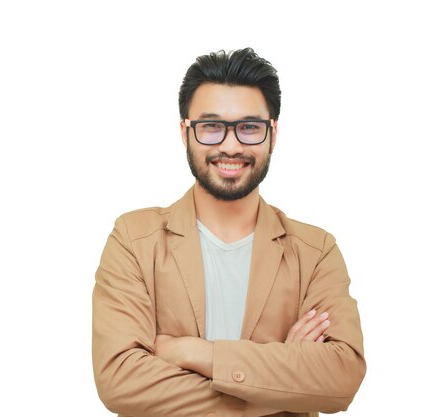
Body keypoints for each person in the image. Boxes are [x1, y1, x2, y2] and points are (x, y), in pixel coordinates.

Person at [92, 48, 366, 417]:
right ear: (185, 132)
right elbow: (120, 381)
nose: (231, 145)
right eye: (211, 127)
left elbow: (341, 377)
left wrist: (193, 352)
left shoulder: (315, 252)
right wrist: (282, 384)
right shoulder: (134, 240)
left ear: (273, 134)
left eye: (249, 127)